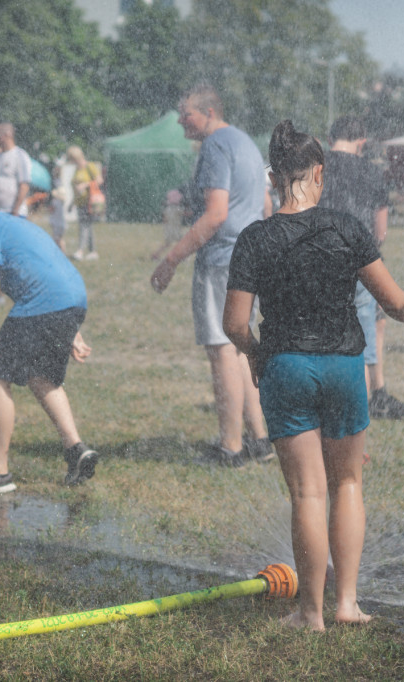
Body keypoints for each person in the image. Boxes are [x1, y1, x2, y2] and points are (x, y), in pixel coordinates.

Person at [223, 120, 404, 631]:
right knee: (349, 484)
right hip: (343, 367)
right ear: (319, 172)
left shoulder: (255, 238)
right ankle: (347, 604)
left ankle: (309, 614)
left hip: (285, 367)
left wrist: (255, 354)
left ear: (272, 176)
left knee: (308, 494)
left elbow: (235, 324)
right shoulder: (345, 227)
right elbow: (395, 305)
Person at [0, 183, 98, 494]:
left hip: (44, 305)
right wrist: (71, 329)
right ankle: (76, 450)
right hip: (71, 299)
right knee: (42, 377)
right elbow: (45, 267)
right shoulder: (15, 223)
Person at [150, 83, 270, 466]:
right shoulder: (246, 142)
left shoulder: (216, 146)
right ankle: (260, 440)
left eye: (186, 113)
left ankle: (230, 449)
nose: (181, 120)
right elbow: (265, 204)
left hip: (222, 259)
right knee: (239, 349)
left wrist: (171, 259)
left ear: (209, 112)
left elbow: (216, 214)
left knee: (222, 351)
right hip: (249, 254)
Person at [319, 115, 404, 420]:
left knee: (340, 331)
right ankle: (353, 410)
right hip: (361, 263)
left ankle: (375, 393)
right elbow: (381, 231)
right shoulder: (372, 173)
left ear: (331, 137)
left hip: (319, 261)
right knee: (357, 337)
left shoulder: (315, 168)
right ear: (361, 142)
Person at [0, 123, 31, 217]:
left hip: (14, 212)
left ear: (7, 134)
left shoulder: (20, 156)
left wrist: (15, 210)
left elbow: (24, 186)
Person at [67, 145, 102, 261]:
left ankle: (80, 251)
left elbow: (99, 180)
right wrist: (71, 203)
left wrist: (85, 184)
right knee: (88, 226)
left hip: (89, 201)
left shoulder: (89, 166)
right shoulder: (77, 169)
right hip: (79, 202)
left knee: (84, 226)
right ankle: (92, 251)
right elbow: (75, 190)